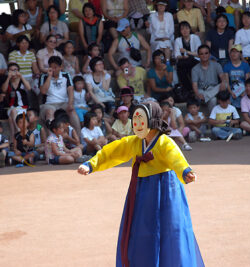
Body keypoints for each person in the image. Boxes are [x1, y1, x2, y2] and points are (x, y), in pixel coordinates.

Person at [77, 101, 204, 267]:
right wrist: (91, 164)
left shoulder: (163, 142)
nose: (136, 124)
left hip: (165, 190)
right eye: (134, 119)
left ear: (152, 120)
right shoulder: (135, 142)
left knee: (170, 230)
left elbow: (175, 157)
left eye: (140, 119)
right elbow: (113, 151)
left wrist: (185, 171)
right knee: (142, 231)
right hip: (142, 191)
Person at [39, 56, 81, 136]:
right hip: (49, 104)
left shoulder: (66, 75)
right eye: (51, 67)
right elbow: (43, 91)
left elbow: (70, 90)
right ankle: (52, 140)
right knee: (49, 112)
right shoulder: (44, 76)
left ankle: (79, 138)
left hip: (63, 103)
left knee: (72, 111)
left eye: (55, 67)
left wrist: (70, 104)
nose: (53, 69)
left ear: (61, 67)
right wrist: (49, 76)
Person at [192, 44, 227, 112]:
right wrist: (198, 94)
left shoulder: (216, 65)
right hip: (202, 90)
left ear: (209, 54)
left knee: (225, 84)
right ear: (198, 56)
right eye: (201, 54)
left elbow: (222, 76)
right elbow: (195, 85)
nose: (204, 55)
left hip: (214, 89)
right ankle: (213, 118)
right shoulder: (195, 69)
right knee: (213, 99)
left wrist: (223, 82)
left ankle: (207, 97)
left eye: (206, 53)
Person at [1, 63, 31, 142]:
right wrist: (8, 77)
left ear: (18, 71)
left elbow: (29, 88)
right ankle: (20, 133)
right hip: (11, 108)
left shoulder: (22, 81)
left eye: (15, 70)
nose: (13, 72)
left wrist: (21, 76)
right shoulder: (7, 81)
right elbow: (3, 89)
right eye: (11, 70)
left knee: (11, 120)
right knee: (13, 111)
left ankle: (13, 142)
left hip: (23, 107)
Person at [174, 21, 201, 95]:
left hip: (195, 60)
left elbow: (199, 54)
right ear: (180, 31)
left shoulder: (195, 38)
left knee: (189, 63)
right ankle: (188, 88)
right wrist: (182, 56)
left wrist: (187, 52)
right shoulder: (178, 40)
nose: (185, 31)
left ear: (190, 29)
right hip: (183, 61)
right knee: (181, 65)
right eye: (182, 29)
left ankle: (190, 88)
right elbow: (176, 55)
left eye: (186, 28)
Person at [223, 44, 250, 109]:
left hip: (244, 90)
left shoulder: (245, 65)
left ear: (240, 54)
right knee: (228, 101)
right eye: (232, 52)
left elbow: (248, 81)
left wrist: (244, 92)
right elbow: (227, 82)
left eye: (236, 52)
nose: (234, 54)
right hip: (232, 90)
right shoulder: (227, 66)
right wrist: (231, 93)